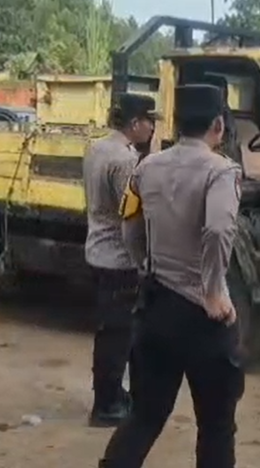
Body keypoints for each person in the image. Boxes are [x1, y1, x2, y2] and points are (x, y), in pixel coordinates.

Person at [98, 84, 244, 468]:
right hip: (203, 316)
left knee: (145, 415)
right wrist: (213, 290)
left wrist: (143, 262)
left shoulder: (147, 165)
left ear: (177, 123)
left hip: (157, 306)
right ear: (218, 124)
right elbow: (217, 230)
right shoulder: (222, 171)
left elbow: (128, 221)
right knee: (215, 426)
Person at [83, 93, 159, 427]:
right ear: (134, 124)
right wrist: (142, 258)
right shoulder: (126, 161)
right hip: (118, 258)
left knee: (109, 330)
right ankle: (107, 403)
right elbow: (130, 216)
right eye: (149, 121)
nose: (153, 127)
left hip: (97, 249)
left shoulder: (97, 149)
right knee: (118, 334)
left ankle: (111, 394)